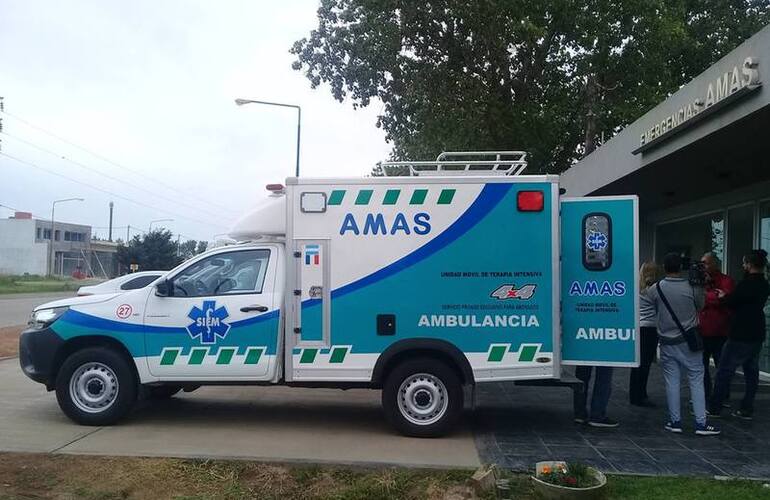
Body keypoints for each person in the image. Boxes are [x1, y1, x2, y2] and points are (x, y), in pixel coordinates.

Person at [647, 253, 720, 436]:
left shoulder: (656, 288)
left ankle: (675, 421)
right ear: (681, 268)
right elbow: (701, 306)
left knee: (672, 382)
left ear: (664, 267)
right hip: (689, 341)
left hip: (666, 341)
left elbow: (650, 304)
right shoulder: (692, 287)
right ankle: (701, 423)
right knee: (696, 380)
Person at [707, 249, 770, 420]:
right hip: (757, 331)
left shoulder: (745, 284)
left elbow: (732, 302)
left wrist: (722, 297)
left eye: (744, 263)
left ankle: (715, 407)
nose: (743, 266)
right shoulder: (764, 284)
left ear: (749, 265)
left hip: (740, 332)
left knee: (724, 370)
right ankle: (747, 408)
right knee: (751, 371)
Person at [698, 252, 735, 402]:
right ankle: (705, 393)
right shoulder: (699, 281)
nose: (703, 267)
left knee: (722, 366)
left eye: (705, 263)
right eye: (701, 263)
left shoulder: (726, 280)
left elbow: (727, 300)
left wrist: (708, 295)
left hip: (721, 331)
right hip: (702, 330)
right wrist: (714, 296)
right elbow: (698, 299)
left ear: (714, 264)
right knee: (701, 366)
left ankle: (722, 396)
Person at [629, 261, 660, 407]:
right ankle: (640, 394)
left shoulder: (635, 288)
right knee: (645, 364)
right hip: (650, 328)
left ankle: (634, 393)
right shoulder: (654, 289)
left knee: (636, 363)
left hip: (638, 328)